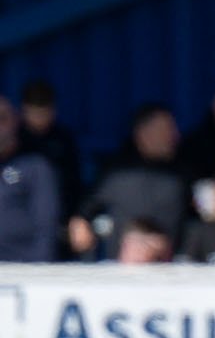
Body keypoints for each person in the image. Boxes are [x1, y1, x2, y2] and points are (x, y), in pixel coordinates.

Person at [71, 103, 190, 257]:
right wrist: (79, 224)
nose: (173, 136)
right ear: (142, 133)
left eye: (172, 130)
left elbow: (202, 211)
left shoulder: (183, 173)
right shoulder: (116, 173)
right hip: (124, 268)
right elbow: (86, 209)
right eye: (165, 130)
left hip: (171, 267)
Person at [0, 96, 60, 262]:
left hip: (20, 267)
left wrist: (37, 271)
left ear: (14, 122)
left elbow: (46, 229)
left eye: (2, 119)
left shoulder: (35, 166)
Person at [18, 79, 84, 226]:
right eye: (35, 113)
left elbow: (73, 182)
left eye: (44, 113)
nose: (40, 119)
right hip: (20, 216)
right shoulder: (15, 139)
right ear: (24, 110)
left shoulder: (63, 139)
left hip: (58, 215)